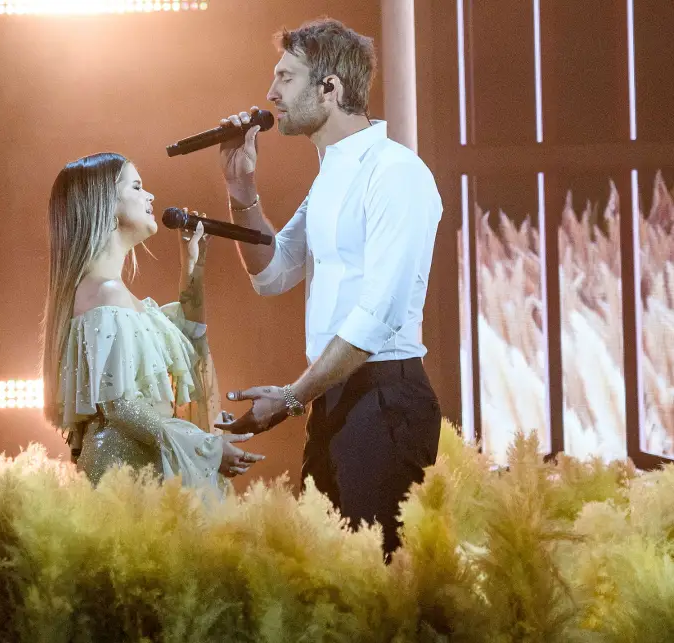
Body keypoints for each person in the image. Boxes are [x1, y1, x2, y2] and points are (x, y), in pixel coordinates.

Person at [215, 18, 443, 554]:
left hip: (387, 396)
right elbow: (271, 273)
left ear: (330, 88)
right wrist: (240, 185)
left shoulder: (394, 172)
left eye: (285, 78)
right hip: (332, 395)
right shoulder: (330, 178)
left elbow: (377, 314)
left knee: (374, 584)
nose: (270, 94)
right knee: (328, 580)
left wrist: (293, 398)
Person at [41, 152, 263, 498]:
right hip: (123, 478)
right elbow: (122, 407)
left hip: (140, 472)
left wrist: (193, 268)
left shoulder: (117, 297)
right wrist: (206, 447)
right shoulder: (105, 294)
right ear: (106, 204)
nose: (151, 197)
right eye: (137, 186)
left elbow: (188, 342)